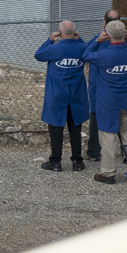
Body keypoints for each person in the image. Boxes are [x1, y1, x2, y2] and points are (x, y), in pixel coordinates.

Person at [85, 19, 127, 185]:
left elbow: (85, 55)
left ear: (107, 35)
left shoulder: (104, 55)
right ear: (124, 34)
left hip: (109, 102)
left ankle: (108, 173)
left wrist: (97, 40)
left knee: (108, 136)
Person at [34, 21, 90, 172]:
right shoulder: (81, 48)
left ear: (59, 32)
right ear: (74, 31)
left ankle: (55, 161)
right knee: (75, 127)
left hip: (57, 94)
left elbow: (38, 54)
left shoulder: (54, 48)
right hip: (76, 94)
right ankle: (77, 161)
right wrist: (79, 39)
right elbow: (89, 52)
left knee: (56, 127)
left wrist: (49, 40)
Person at [85, 8, 121, 162]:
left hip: (97, 86)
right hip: (117, 86)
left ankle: (94, 151)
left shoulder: (97, 42)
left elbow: (85, 52)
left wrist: (97, 40)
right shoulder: (124, 42)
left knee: (95, 116)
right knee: (120, 117)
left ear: (105, 23)